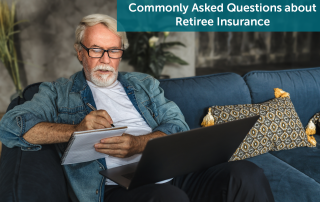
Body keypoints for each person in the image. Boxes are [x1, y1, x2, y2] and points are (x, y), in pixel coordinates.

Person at [0, 14, 274, 202]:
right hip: (115, 186)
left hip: (172, 170)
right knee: (168, 198)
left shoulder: (143, 84)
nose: (106, 59)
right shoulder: (57, 92)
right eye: (96, 50)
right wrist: (76, 130)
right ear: (80, 52)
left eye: (114, 51)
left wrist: (140, 143)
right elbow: (11, 125)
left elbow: (176, 125)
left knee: (246, 175)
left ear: (121, 53)